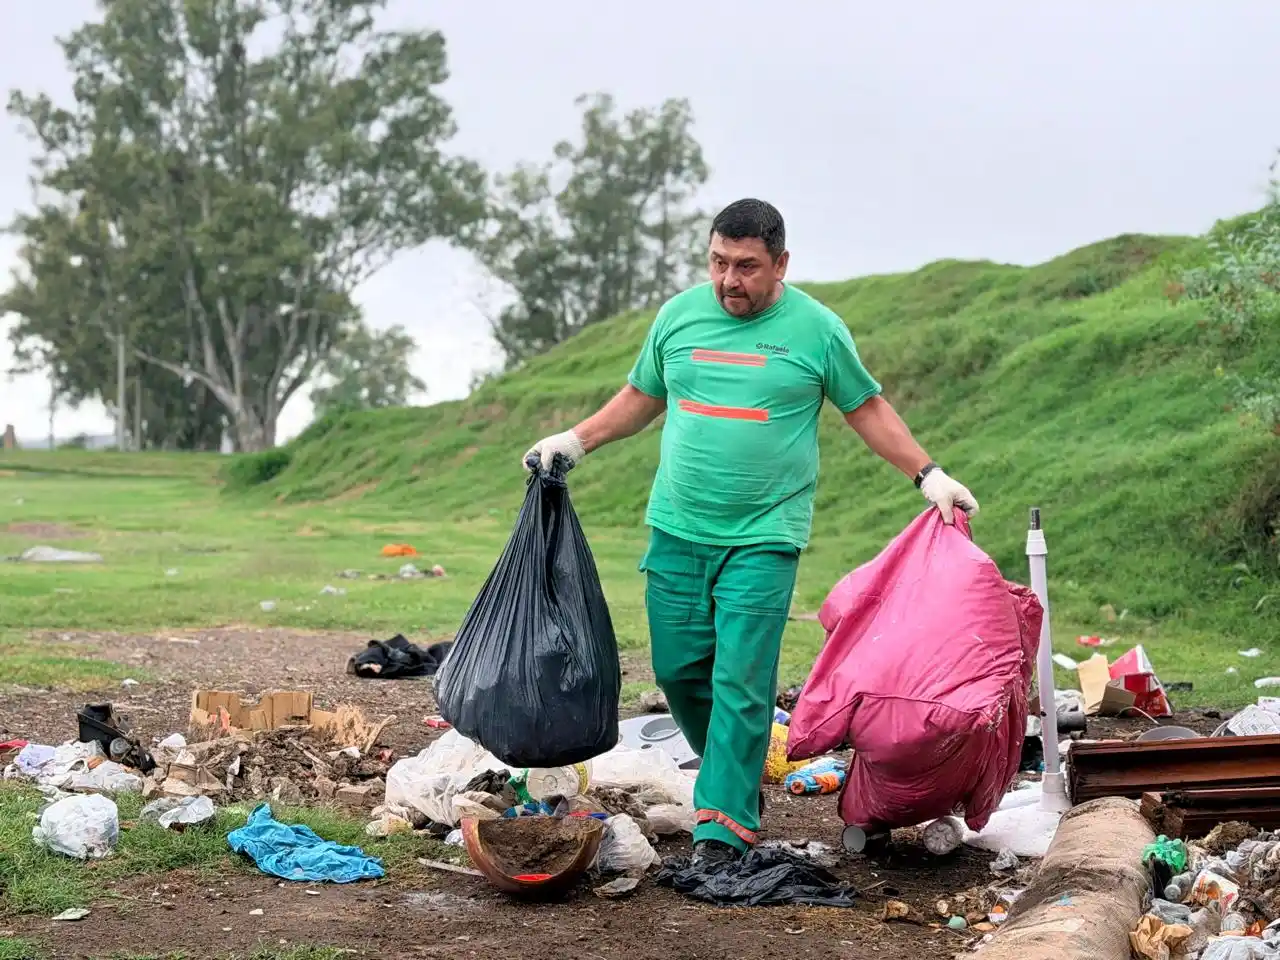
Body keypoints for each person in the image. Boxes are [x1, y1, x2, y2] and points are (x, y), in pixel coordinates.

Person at [524, 198, 978, 867]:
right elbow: (643, 394)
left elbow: (867, 407)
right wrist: (576, 440)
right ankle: (732, 781)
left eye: (745, 266)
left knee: (742, 680)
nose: (728, 280)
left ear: (780, 265)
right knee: (680, 670)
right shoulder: (679, 317)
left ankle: (723, 826)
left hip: (765, 534)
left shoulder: (816, 330)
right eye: (717, 262)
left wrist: (929, 475)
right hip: (677, 527)